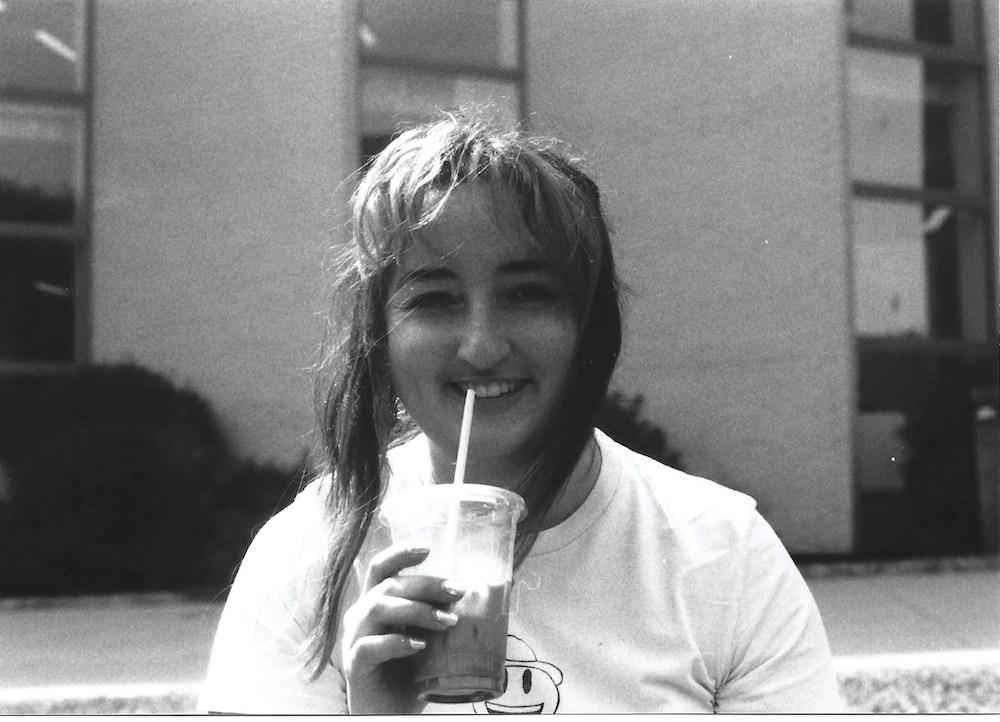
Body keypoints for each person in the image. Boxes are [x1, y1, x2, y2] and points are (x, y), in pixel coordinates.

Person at [199, 111, 843, 714]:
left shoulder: (722, 555)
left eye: (527, 295)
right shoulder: (306, 558)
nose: (482, 345)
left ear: (587, 328)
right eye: (435, 300)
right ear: (382, 337)